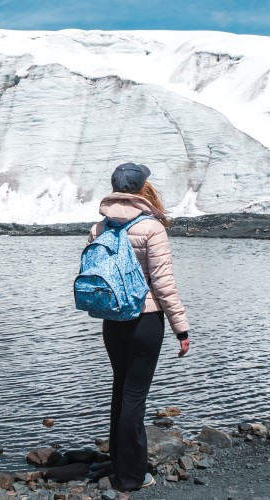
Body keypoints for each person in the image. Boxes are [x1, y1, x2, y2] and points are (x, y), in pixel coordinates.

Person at [88, 162, 191, 492]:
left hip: (112, 320)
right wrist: (181, 328)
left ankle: (119, 463)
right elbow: (163, 284)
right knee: (135, 396)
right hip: (145, 320)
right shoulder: (151, 228)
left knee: (121, 390)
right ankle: (132, 476)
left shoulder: (99, 227)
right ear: (141, 188)